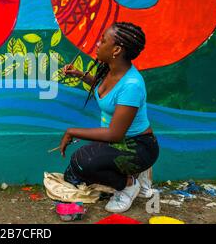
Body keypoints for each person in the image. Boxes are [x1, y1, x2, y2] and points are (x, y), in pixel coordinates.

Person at [60, 22, 159, 213]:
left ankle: (129, 185)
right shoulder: (110, 70)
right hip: (119, 143)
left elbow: (114, 134)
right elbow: (105, 89)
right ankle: (134, 174)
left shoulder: (131, 85)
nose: (98, 44)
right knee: (77, 167)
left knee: (83, 163)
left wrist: (71, 131)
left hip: (138, 146)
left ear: (116, 50)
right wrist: (81, 75)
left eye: (103, 40)